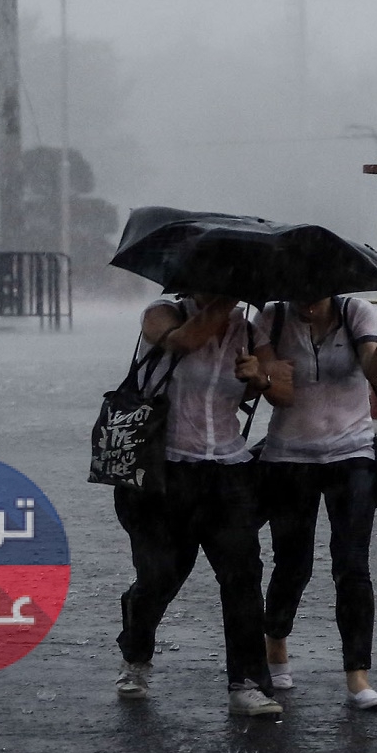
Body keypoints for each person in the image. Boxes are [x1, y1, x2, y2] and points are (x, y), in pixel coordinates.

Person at [113, 292, 292, 717]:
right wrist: (222, 306)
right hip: (163, 470)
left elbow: (284, 390)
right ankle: (136, 655)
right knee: (159, 576)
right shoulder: (162, 314)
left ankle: (247, 682)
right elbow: (185, 341)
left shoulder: (250, 330)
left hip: (228, 469)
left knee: (242, 575)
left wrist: (259, 378)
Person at [253, 285, 377, 712]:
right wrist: (264, 375)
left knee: (353, 566)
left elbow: (376, 374)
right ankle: (276, 646)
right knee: (292, 563)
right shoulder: (273, 317)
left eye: (317, 295)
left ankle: (358, 677)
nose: (308, 303)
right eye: (301, 292)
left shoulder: (356, 313)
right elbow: (280, 397)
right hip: (288, 456)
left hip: (352, 454)